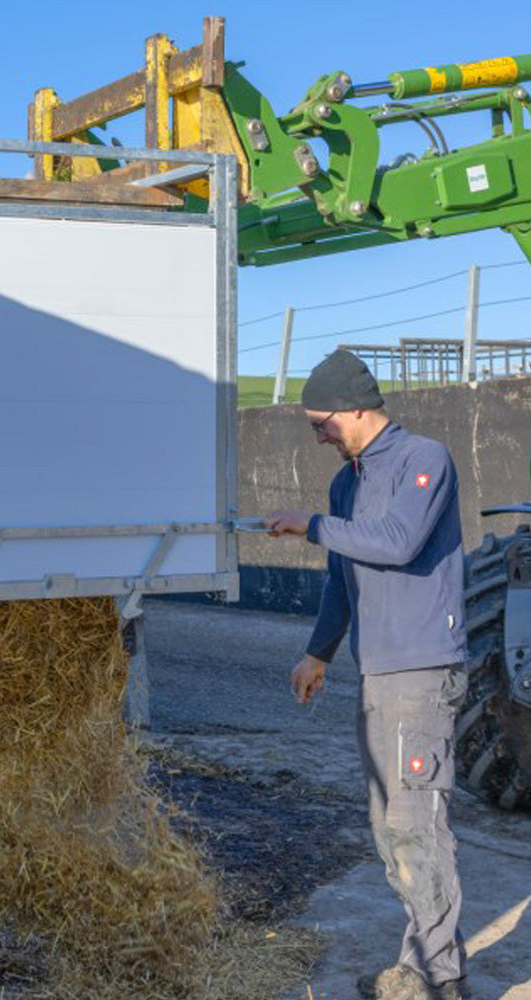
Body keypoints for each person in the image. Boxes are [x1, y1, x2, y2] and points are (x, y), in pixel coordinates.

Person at [265, 350, 470, 1000]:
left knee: (417, 824)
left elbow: (397, 541)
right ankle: (419, 965)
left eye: (322, 422)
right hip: (378, 673)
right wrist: (319, 652)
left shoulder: (424, 460)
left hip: (423, 669)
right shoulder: (346, 482)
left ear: (357, 407)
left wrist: (315, 527)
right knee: (391, 827)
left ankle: (442, 980)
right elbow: (341, 580)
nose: (317, 435)